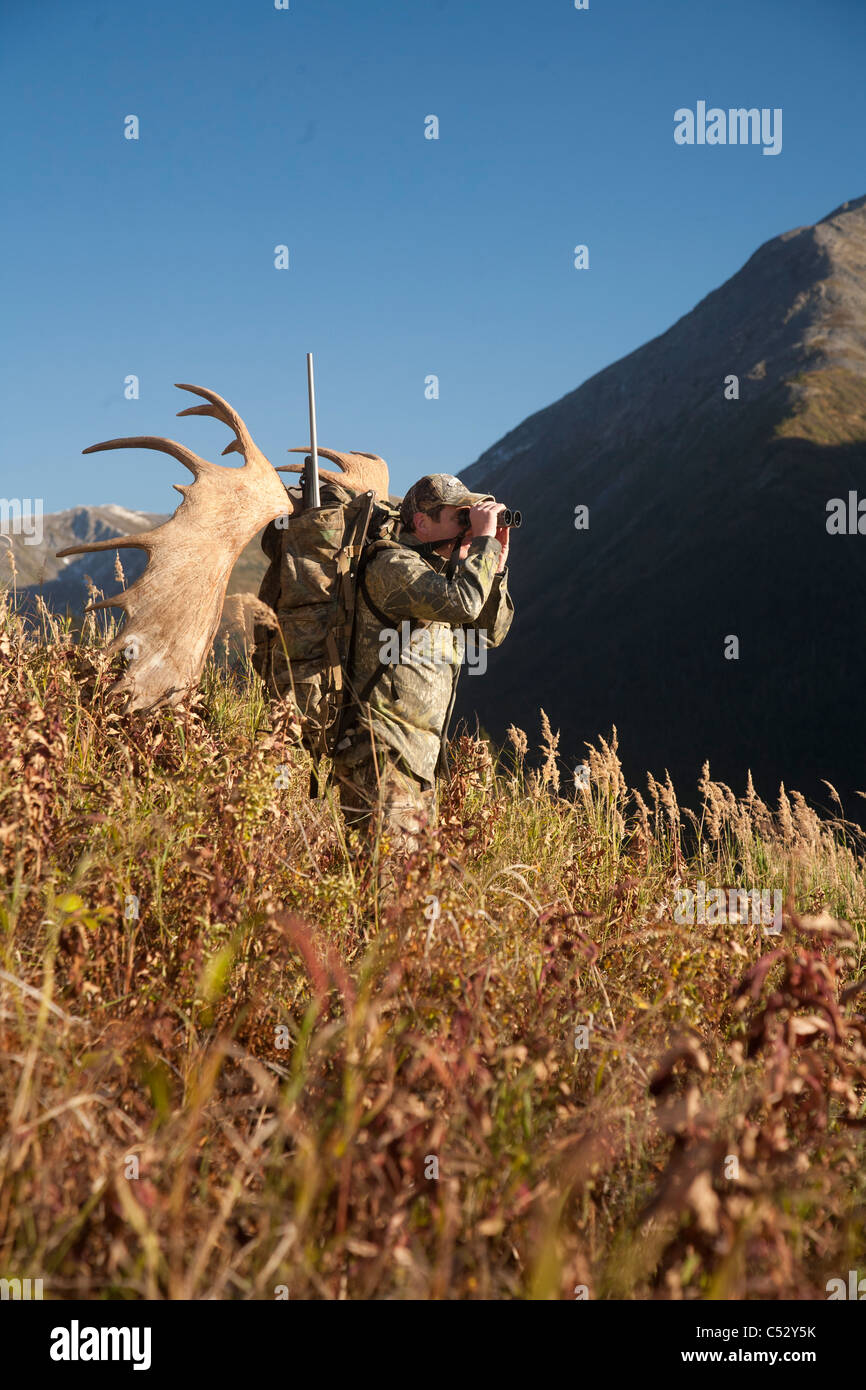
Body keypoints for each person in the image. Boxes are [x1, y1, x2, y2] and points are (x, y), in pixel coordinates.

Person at [331, 473, 515, 860]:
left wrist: (493, 567)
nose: (468, 527)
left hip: (420, 762)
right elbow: (464, 603)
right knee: (384, 890)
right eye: (460, 517)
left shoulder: (442, 576)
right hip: (381, 755)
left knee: (405, 898)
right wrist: (481, 543)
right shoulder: (393, 565)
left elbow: (488, 632)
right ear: (421, 523)